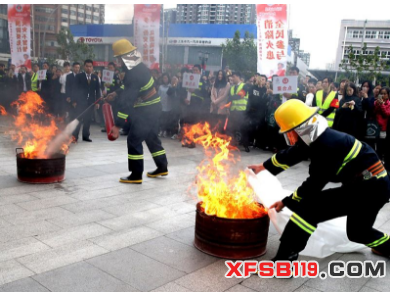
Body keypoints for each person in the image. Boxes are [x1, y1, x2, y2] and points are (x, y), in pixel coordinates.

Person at [249, 99, 390, 260]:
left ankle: (284, 260)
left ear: (301, 129)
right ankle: (389, 247)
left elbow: (313, 185)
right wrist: (263, 166)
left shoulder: (327, 146)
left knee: (308, 208)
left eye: (290, 131)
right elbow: (295, 153)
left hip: (370, 189)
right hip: (372, 185)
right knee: (358, 233)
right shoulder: (317, 137)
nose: (289, 136)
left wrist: (287, 201)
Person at [106, 39, 168, 184]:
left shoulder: (133, 73)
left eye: (119, 58)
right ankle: (162, 166)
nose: (118, 62)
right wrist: (116, 92)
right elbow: (129, 88)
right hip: (153, 107)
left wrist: (117, 125)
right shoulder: (138, 68)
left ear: (125, 57)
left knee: (133, 140)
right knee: (152, 138)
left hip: (146, 110)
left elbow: (127, 101)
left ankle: (136, 175)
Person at [71, 59, 101, 142]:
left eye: (90, 66)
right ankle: (75, 136)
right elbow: (74, 89)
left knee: (88, 120)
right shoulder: (79, 76)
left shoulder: (95, 77)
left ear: (92, 67)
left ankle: (86, 136)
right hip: (80, 102)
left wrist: (97, 102)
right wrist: (74, 101)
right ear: (84, 67)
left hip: (90, 102)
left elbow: (97, 90)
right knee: (78, 119)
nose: (88, 68)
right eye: (87, 66)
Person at [226, 71, 250, 152]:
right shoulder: (232, 88)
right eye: (232, 77)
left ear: (238, 77)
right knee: (231, 128)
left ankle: (246, 145)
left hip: (241, 111)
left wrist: (231, 98)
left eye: (234, 76)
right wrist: (228, 108)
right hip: (233, 111)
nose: (232, 78)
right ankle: (232, 144)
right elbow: (229, 100)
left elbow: (241, 94)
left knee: (243, 128)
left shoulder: (245, 86)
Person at [247, 74, 268, 149]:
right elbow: (249, 97)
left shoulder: (266, 90)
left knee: (260, 127)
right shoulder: (253, 87)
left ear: (265, 82)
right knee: (251, 125)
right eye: (260, 79)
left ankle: (259, 143)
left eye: (263, 80)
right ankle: (250, 141)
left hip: (261, 111)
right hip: (252, 110)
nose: (261, 81)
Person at [373, 87, 390, 161]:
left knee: (382, 146)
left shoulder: (389, 104)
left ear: (388, 95)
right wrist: (377, 104)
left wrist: (382, 105)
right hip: (375, 127)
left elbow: (386, 114)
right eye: (381, 93)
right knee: (375, 145)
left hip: (384, 128)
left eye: (385, 93)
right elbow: (374, 112)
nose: (383, 95)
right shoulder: (376, 102)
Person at [158, 73, 173, 138]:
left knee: (167, 119)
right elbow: (158, 95)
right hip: (162, 105)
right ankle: (161, 130)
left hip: (169, 105)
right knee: (162, 119)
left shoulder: (171, 86)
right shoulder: (160, 87)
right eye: (164, 78)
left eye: (166, 78)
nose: (165, 79)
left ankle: (166, 131)